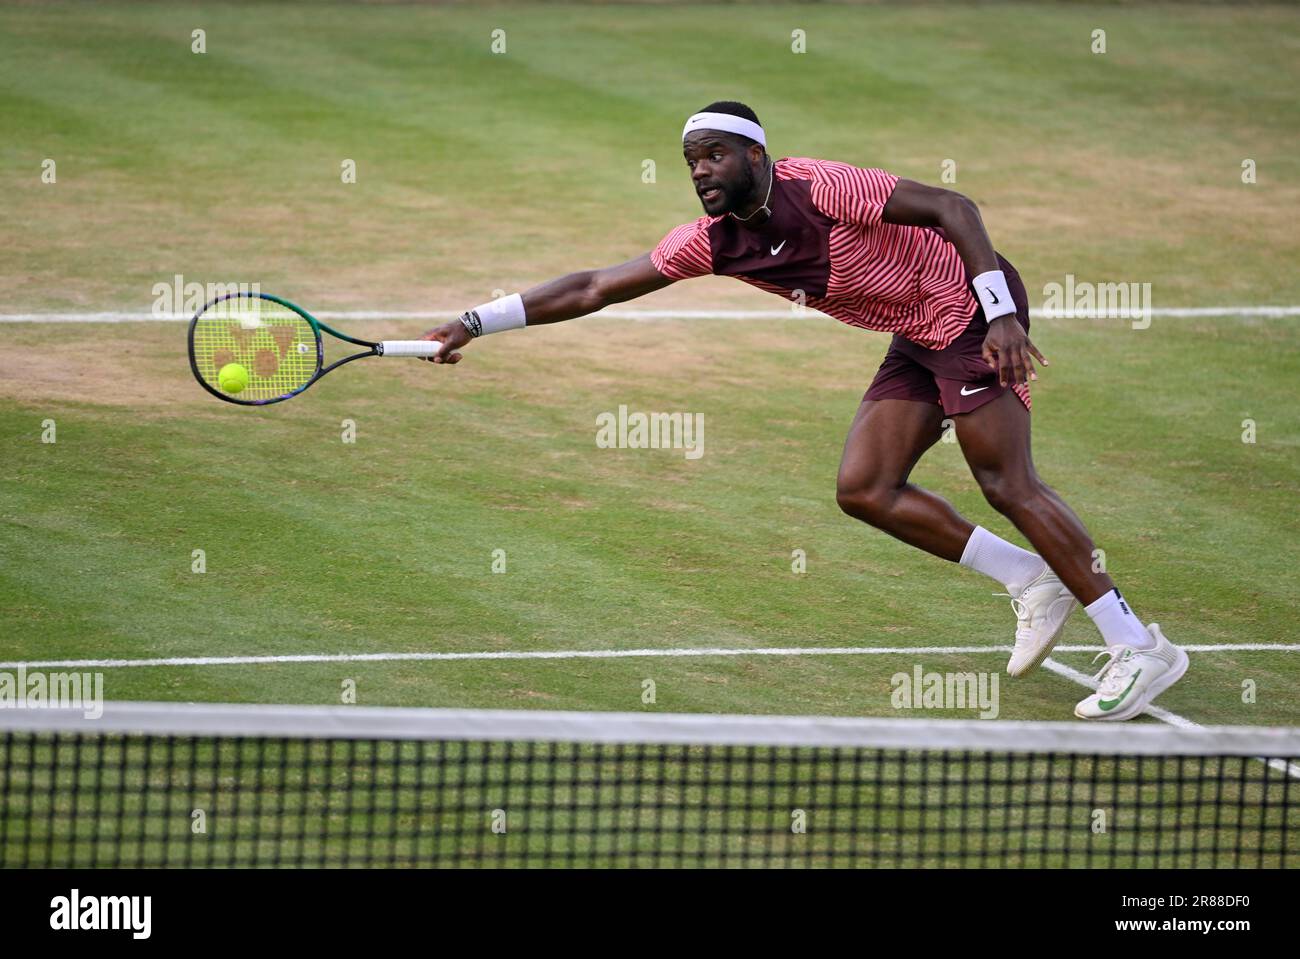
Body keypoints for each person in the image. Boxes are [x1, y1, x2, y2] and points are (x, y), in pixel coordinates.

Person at [420, 101, 1187, 721]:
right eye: (692, 162)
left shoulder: (821, 186)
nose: (701, 172)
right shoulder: (714, 243)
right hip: (917, 330)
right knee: (865, 488)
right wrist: (476, 320)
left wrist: (1000, 315)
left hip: (967, 307)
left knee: (1007, 483)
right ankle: (1031, 577)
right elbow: (592, 286)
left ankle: (1136, 643)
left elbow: (954, 206)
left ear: (757, 155)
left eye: (715, 155)